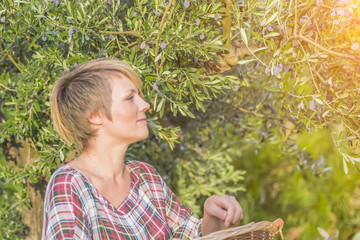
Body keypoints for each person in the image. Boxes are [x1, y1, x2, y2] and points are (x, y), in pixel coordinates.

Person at [42, 58, 243, 239]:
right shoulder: (70, 184)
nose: (145, 104)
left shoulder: (146, 177)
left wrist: (212, 215)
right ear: (95, 116)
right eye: (130, 98)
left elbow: (189, 234)